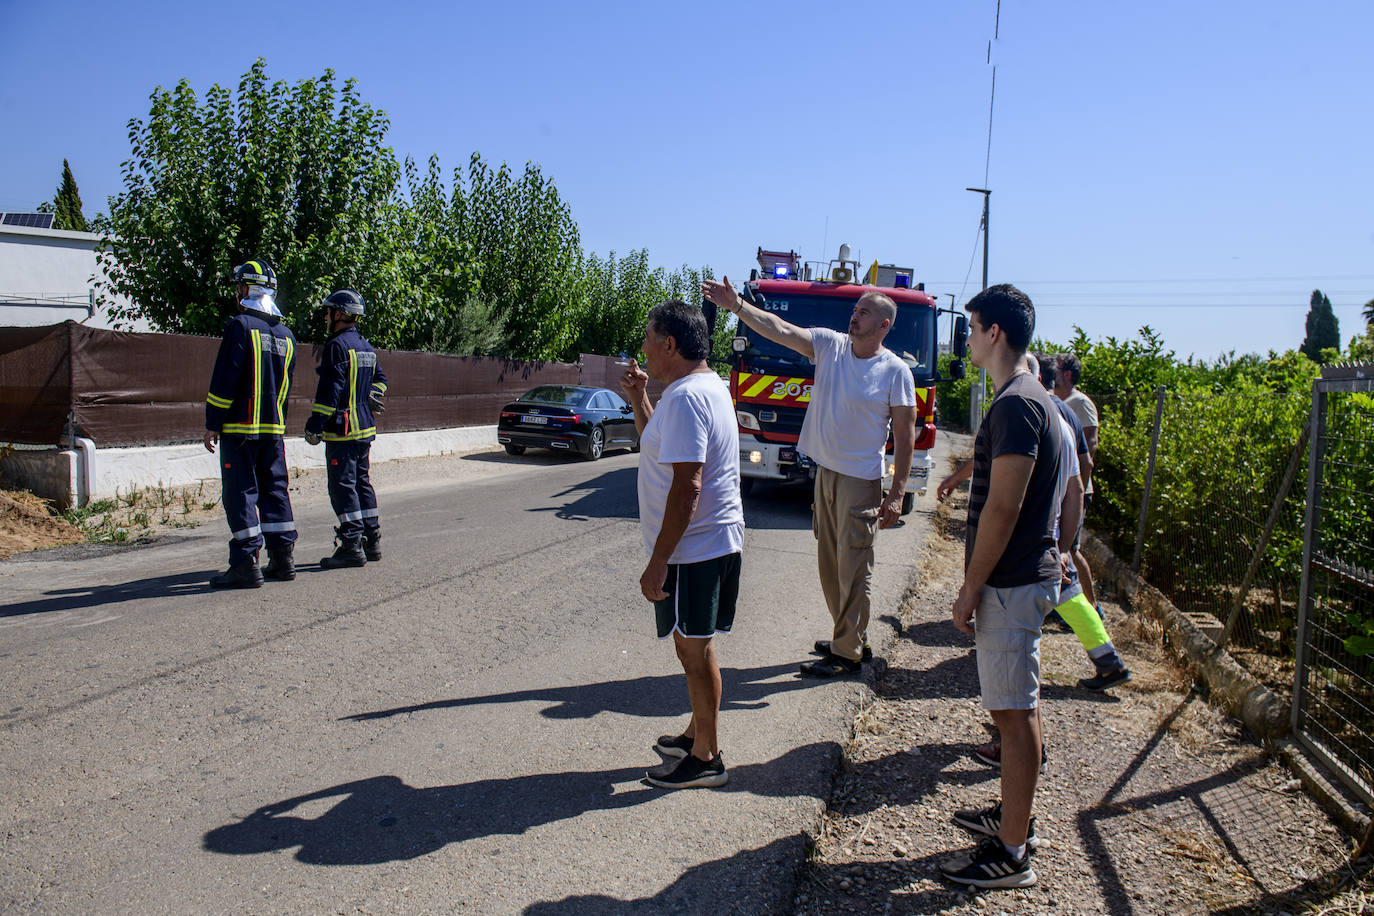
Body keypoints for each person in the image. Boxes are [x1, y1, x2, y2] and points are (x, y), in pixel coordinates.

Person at [702, 277, 916, 677]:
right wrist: (738, 308)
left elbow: (905, 437)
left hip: (860, 481)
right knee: (830, 565)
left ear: (884, 325)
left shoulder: (895, 371)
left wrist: (896, 493)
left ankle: (848, 651)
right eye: (854, 311)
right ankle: (848, 634)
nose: (854, 317)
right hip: (826, 473)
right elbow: (782, 330)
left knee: (854, 565)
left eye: (864, 312)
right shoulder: (831, 346)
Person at [940, 284, 1062, 890]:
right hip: (1020, 580)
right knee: (1015, 709)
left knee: (1013, 716)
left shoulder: (1018, 403)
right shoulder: (1032, 398)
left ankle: (1013, 851)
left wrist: (969, 588)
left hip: (1011, 583)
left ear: (995, 334)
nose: (967, 337)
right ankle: (1016, 818)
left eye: (972, 326)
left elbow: (1004, 508)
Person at [621, 300, 744, 790]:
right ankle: (698, 733)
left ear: (669, 344)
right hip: (701, 546)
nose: (644, 348)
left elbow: (687, 485)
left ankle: (707, 757)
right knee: (692, 647)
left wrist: (658, 560)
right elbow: (661, 443)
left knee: (696, 652)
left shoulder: (691, 396)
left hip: (695, 549)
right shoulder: (696, 389)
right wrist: (639, 399)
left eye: (649, 338)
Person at [203, 259, 298, 588]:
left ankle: (245, 563)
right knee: (275, 490)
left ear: (249, 289)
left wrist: (212, 422)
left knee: (240, 492)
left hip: (241, 429)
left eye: (239, 286)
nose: (237, 292)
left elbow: (225, 379)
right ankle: (283, 559)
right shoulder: (287, 336)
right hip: (273, 431)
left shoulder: (240, 326)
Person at [303, 289, 388, 569]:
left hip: (343, 430)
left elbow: (329, 393)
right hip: (364, 429)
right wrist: (373, 394)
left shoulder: (336, 346)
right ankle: (372, 540)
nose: (325, 316)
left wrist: (314, 425)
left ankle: (351, 544)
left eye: (328, 311)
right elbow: (381, 379)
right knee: (362, 483)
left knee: (342, 487)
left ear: (339, 314)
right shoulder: (365, 346)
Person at [1054, 353, 1101, 610]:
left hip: (1075, 491)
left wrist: (1076, 494)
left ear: (1068, 374)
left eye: (1058, 369)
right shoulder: (1061, 401)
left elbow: (1088, 450)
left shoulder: (1079, 403)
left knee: (1070, 549)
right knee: (1063, 548)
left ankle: (1093, 607)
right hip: (1064, 490)